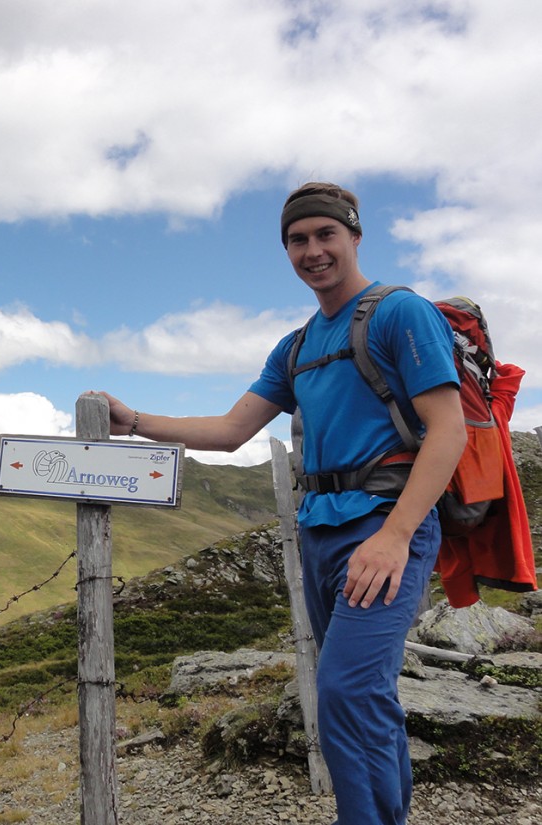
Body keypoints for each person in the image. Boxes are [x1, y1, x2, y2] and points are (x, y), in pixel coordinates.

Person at [101, 182, 466, 825]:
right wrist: (136, 421)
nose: (312, 250)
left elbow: (449, 430)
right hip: (321, 533)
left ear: (355, 236)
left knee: (346, 691)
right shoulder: (296, 346)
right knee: (360, 696)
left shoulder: (400, 313)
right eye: (297, 240)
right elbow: (231, 429)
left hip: (383, 525)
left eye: (326, 234)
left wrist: (397, 534)